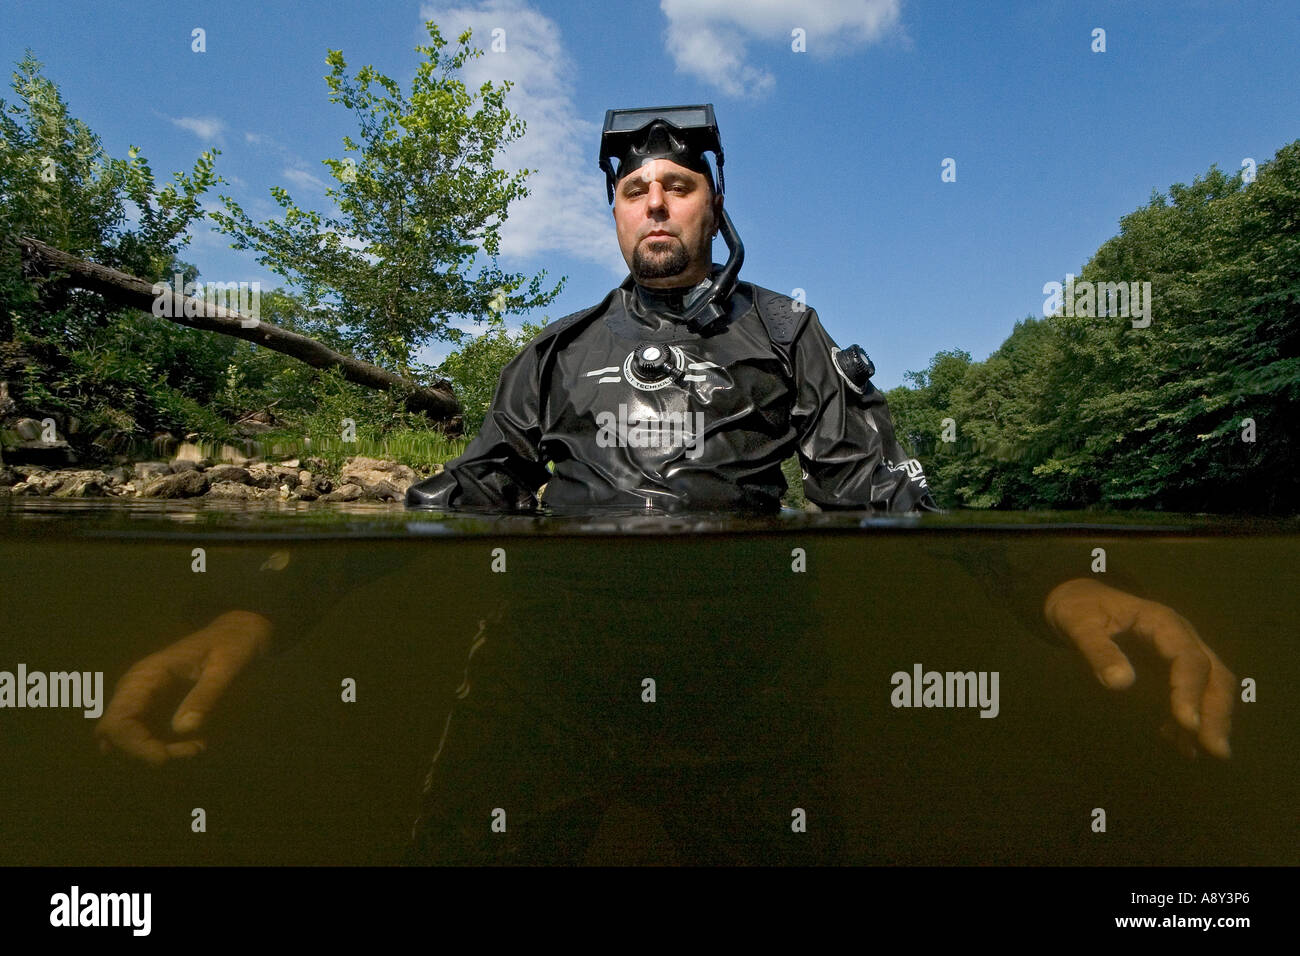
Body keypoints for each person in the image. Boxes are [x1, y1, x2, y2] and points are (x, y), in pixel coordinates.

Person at [96, 106, 1236, 863]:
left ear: (713, 207)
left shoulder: (786, 331)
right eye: (634, 186)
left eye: (678, 184)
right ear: (611, 212)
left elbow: (879, 495)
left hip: (749, 697)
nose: (654, 201)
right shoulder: (549, 354)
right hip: (546, 686)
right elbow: (452, 503)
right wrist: (257, 607)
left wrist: (1059, 584)